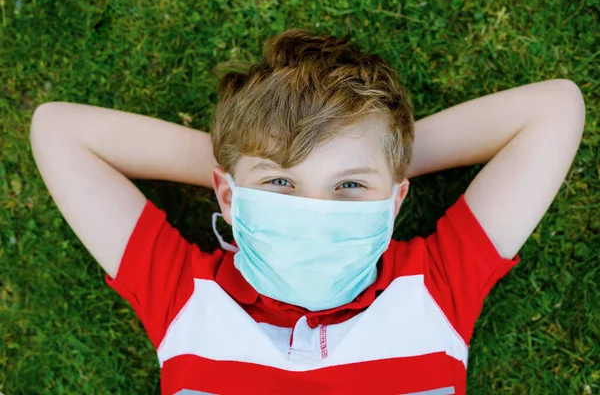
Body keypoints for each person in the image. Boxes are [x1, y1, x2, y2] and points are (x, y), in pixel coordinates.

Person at [30, 29, 585, 395]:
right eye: (279, 182)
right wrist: (247, 155)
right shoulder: (184, 296)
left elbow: (556, 108)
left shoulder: (435, 288)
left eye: (348, 184)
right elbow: (57, 130)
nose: (315, 211)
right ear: (227, 195)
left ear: (395, 201)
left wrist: (382, 153)